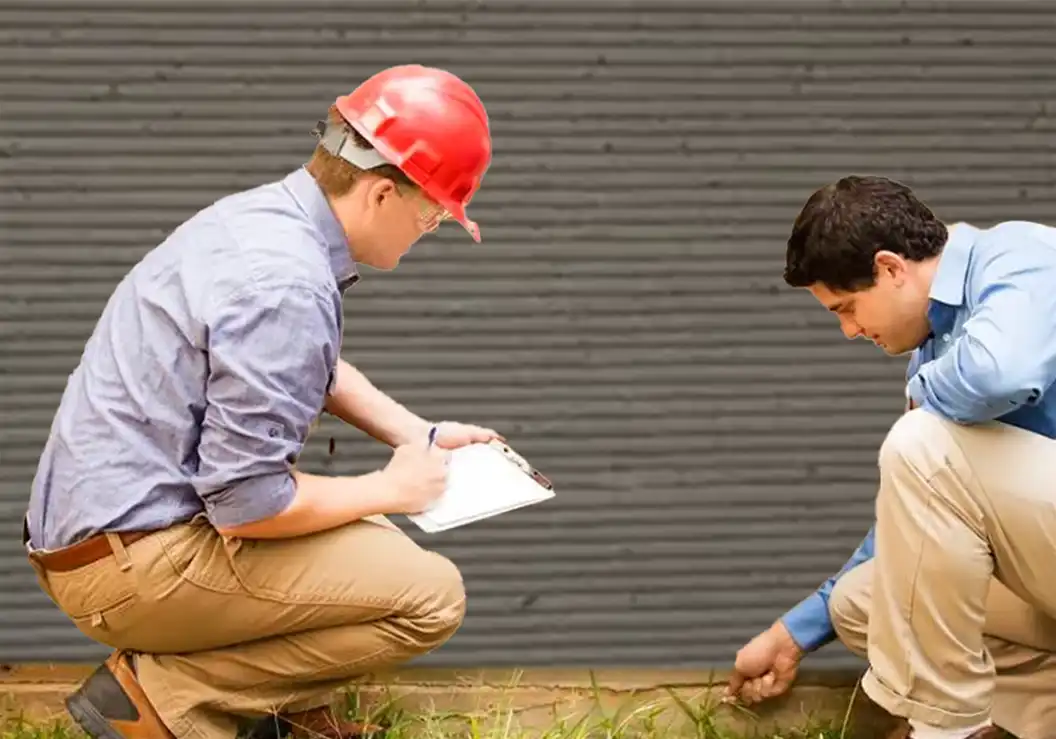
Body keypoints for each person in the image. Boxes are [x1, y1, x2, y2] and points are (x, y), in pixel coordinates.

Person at [22, 64, 500, 739]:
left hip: (101, 537)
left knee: (370, 543)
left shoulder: (264, 220)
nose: (428, 231)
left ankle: (268, 709)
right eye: (432, 216)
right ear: (381, 193)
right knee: (429, 596)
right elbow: (247, 503)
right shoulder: (284, 285)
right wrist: (392, 488)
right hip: (128, 566)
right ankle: (162, 699)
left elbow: (305, 365)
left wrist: (414, 433)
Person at [724, 175, 1056, 739]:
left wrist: (922, 401)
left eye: (846, 308)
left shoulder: (1022, 257)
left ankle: (943, 727)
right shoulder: (937, 355)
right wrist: (794, 632)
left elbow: (1004, 372)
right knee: (862, 601)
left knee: (919, 443)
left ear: (891, 268)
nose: (850, 330)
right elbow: (918, 527)